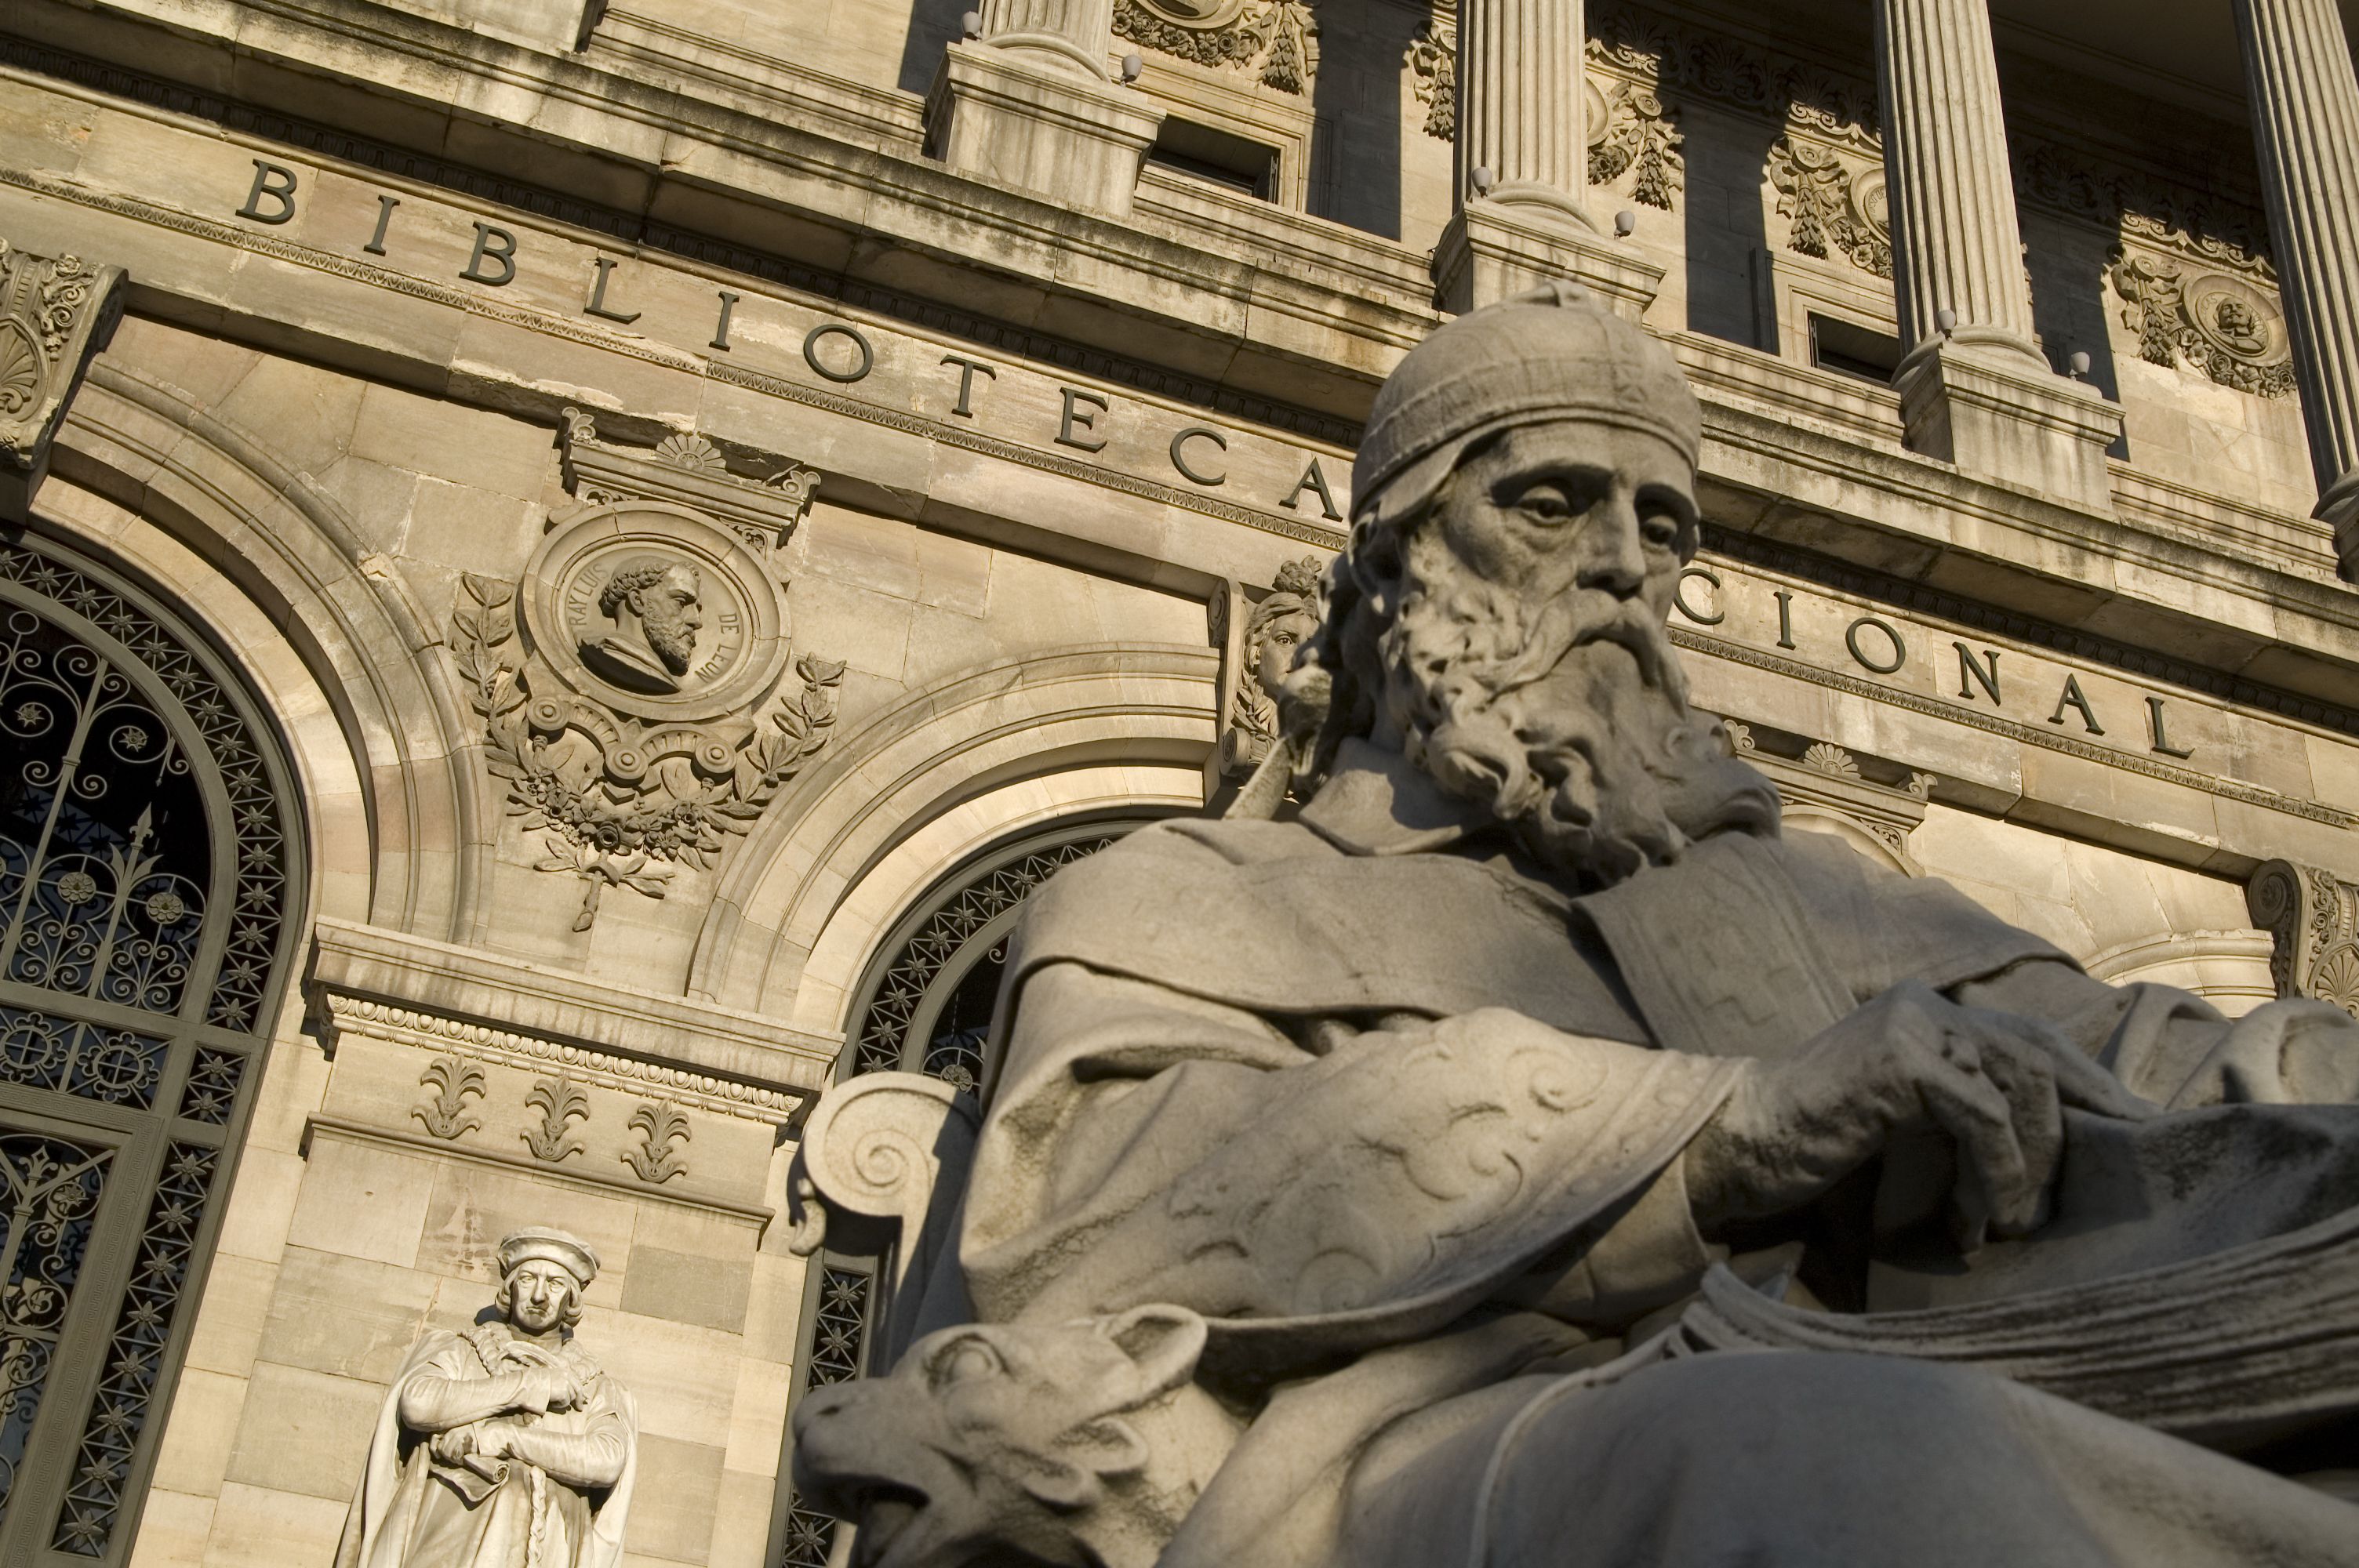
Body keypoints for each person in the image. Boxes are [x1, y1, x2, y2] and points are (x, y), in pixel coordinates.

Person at [800, 285, 2359, 1566]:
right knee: (1838, 1466)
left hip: (1913, 1362)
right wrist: (1730, 1122)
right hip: (1414, 1453)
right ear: (1403, 559)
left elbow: (2137, 1054)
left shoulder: (1801, 896)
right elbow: (1079, 1219)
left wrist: (2307, 1063)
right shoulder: (1193, 889)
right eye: (1554, 501)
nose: (1622, 562)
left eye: (1662, 526)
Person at [338, 1227, 636, 1568]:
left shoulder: (595, 1384)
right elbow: (418, 1403)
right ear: (510, 1289)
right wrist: (531, 1385)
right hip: (452, 1539)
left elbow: (606, 1459)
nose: (540, 1296)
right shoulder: (463, 1350)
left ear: (571, 1298)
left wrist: (500, 1437)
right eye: (527, 1279)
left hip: (547, 1546)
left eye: (554, 1284)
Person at [581, 560, 702, 694]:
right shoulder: (605, 651)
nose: (697, 621)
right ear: (637, 601)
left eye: (697, 609)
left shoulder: (660, 673)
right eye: (681, 602)